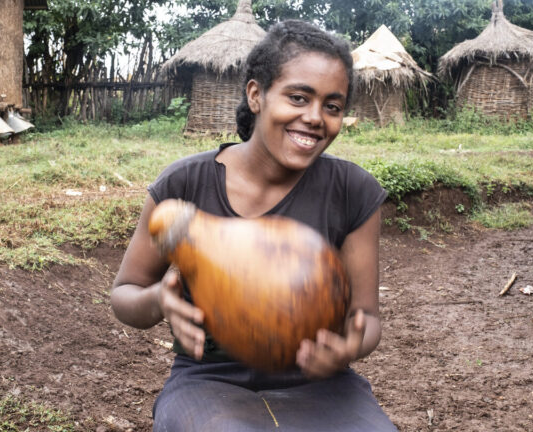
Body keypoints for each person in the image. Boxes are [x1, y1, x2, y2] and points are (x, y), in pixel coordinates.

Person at [110, 20, 395, 431]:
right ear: (257, 95)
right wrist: (160, 300)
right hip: (208, 381)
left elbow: (366, 317)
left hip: (319, 384)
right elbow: (124, 295)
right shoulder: (184, 184)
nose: (315, 118)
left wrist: (349, 344)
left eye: (332, 106)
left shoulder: (352, 190)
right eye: (298, 97)